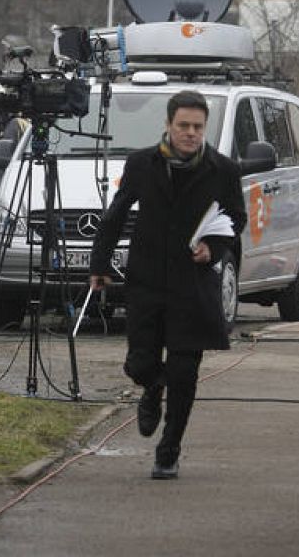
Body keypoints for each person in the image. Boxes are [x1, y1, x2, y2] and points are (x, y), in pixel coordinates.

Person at [90, 90, 247, 480]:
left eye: (197, 127)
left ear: (204, 128)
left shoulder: (222, 169)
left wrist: (213, 247)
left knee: (184, 373)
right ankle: (151, 385)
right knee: (140, 362)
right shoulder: (142, 163)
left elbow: (236, 217)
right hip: (147, 280)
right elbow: (116, 214)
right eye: (183, 126)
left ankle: (168, 450)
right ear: (169, 125)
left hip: (192, 286)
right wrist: (100, 262)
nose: (190, 134)